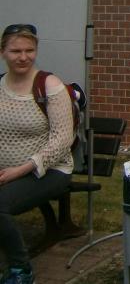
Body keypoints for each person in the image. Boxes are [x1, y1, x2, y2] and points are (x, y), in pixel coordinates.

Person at [0, 24, 74, 284]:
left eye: (29, 50)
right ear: (3, 52)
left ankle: (21, 270)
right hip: (6, 172)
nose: (23, 57)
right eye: (16, 51)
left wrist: (20, 170)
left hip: (49, 170)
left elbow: (62, 140)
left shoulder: (50, 86)